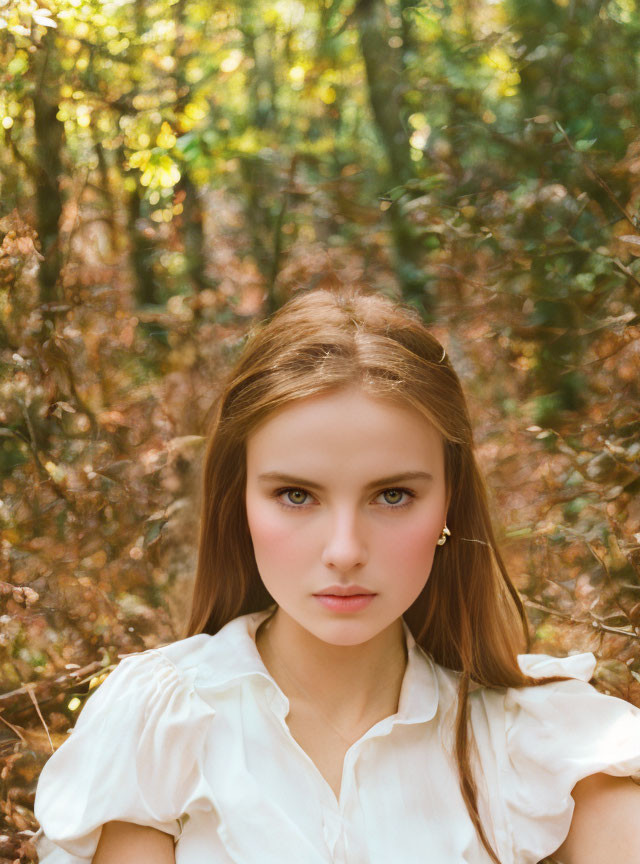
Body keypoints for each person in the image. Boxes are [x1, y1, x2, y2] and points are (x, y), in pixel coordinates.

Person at [33, 287, 640, 864]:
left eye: (393, 495)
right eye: (296, 495)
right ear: (238, 500)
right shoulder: (160, 724)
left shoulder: (546, 739)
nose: (345, 551)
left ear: (449, 505)